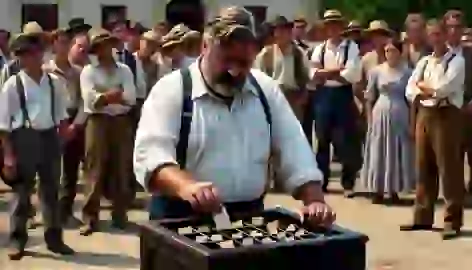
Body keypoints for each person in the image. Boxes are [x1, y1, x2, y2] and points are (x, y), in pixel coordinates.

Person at [134, 6, 335, 227]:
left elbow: (294, 147)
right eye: (227, 60)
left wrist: (315, 200)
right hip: (180, 218)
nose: (235, 71)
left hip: (248, 220)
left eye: (243, 63)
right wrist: (186, 187)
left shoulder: (265, 90)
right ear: (205, 46)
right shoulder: (172, 90)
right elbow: (151, 155)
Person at [0, 32, 74, 260]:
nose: (26, 59)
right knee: (22, 191)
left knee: (51, 190)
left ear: (39, 54)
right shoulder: (13, 84)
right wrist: (9, 156)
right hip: (24, 137)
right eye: (22, 55)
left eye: (31, 54)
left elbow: (62, 117)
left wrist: (63, 136)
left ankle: (54, 238)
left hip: (49, 136)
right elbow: (3, 124)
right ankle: (17, 239)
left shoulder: (55, 83)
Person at [402, 19, 465, 240]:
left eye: (439, 34)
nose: (435, 38)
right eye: (432, 34)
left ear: (445, 35)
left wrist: (426, 89)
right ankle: (422, 216)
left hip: (446, 115)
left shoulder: (456, 61)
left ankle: (452, 220)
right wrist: (423, 91)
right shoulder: (425, 62)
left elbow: (444, 88)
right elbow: (410, 88)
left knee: (449, 169)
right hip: (425, 115)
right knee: (423, 166)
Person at [79, 28, 136, 235]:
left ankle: (120, 214)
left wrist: (105, 96)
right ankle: (90, 218)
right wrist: (114, 95)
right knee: (94, 168)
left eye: (107, 44)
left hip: (121, 120)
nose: (105, 49)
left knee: (121, 167)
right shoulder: (88, 71)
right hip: (97, 122)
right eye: (100, 45)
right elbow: (91, 101)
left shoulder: (124, 70)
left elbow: (131, 97)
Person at [310, 10, 363, 197]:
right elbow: (313, 74)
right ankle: (322, 181)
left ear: (341, 27)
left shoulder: (351, 47)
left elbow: (352, 74)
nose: (332, 28)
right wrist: (334, 71)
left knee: (346, 140)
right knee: (322, 139)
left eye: (335, 24)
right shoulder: (320, 48)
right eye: (329, 25)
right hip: (324, 95)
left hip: (342, 95)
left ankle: (348, 183)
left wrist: (327, 73)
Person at [43, 28, 87, 224]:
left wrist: (76, 125)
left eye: (66, 42)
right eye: (59, 42)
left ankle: (66, 211)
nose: (63, 46)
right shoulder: (45, 71)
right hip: (51, 122)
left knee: (71, 170)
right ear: (53, 45)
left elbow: (84, 101)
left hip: (72, 121)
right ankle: (48, 213)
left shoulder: (78, 73)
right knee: (49, 171)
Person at [362, 41, 415, 204]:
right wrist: (369, 118)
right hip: (381, 111)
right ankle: (377, 189)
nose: (389, 54)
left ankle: (394, 190)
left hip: (400, 112)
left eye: (392, 50)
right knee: (379, 150)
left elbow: (412, 100)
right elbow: (369, 96)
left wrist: (412, 121)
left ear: (399, 52)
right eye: (387, 51)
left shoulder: (408, 72)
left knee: (397, 151)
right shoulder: (376, 71)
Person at [254, 15, 310, 122]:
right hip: (272, 97)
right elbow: (258, 77)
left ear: (290, 33)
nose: (281, 34)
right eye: (278, 31)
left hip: (294, 98)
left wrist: (303, 97)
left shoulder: (299, 53)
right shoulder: (266, 53)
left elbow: (306, 76)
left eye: (284, 31)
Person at [443, 10, 472, 194]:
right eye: (450, 27)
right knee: (451, 155)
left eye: (458, 27)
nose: (454, 31)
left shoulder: (470, 53)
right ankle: (455, 190)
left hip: (468, 109)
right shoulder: (436, 52)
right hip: (444, 110)